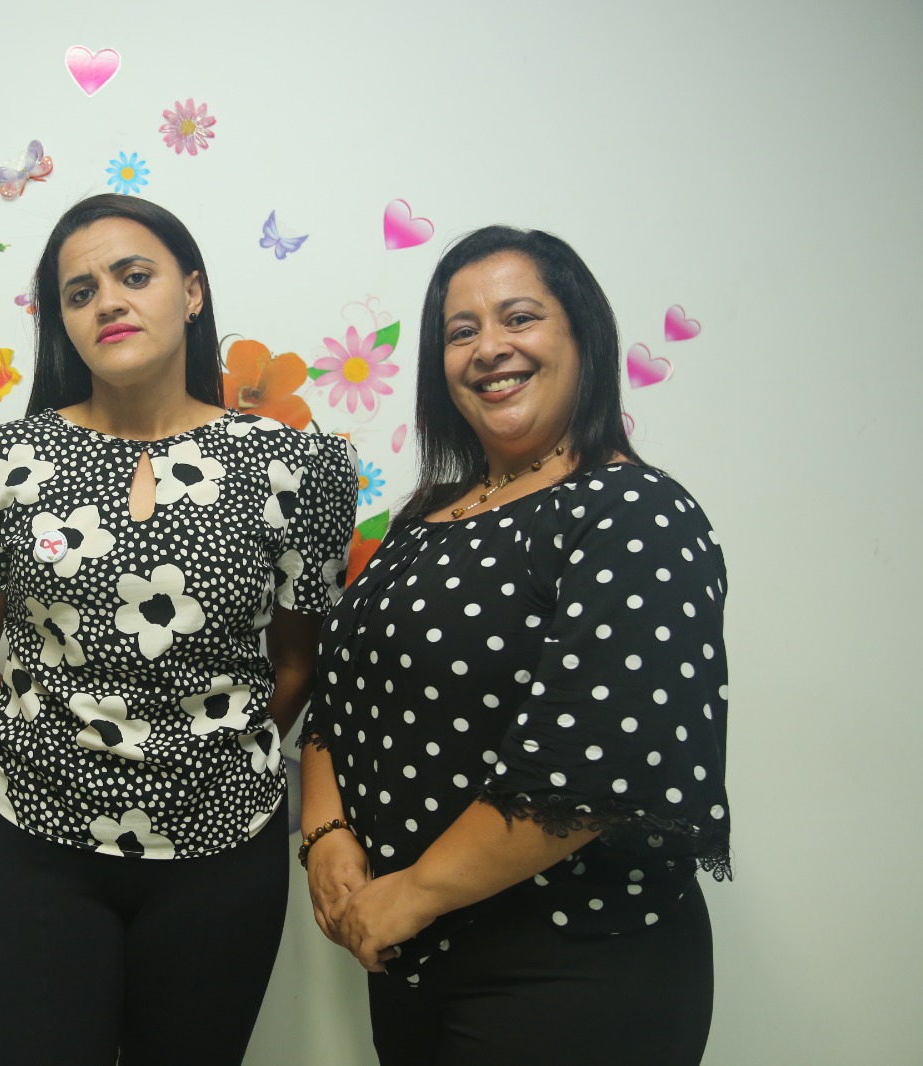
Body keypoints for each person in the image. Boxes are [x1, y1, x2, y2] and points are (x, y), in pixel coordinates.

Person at [0, 194, 355, 1065]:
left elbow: (299, 663)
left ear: (191, 292)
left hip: (225, 850)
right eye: (79, 293)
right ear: (62, 324)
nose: (108, 302)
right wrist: (58, 763)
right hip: (38, 847)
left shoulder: (295, 468)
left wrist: (208, 763)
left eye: (134, 276)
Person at [300, 225, 731, 1065]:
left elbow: (596, 760)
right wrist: (326, 836)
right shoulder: (422, 523)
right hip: (410, 954)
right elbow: (337, 697)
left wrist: (414, 894)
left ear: (583, 336)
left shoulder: (633, 511)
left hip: (573, 964)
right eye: (461, 331)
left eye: (520, 317)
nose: (490, 347)